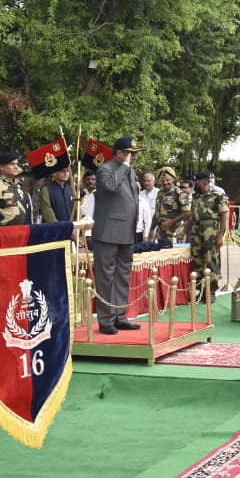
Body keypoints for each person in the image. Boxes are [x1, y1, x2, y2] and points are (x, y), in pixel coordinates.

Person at [90, 136, 144, 335]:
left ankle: (120, 316)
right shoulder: (105, 169)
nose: (134, 158)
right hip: (107, 233)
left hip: (127, 232)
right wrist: (123, 166)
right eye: (131, 154)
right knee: (106, 278)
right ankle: (106, 320)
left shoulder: (129, 171)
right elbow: (111, 186)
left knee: (122, 276)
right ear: (119, 153)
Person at [186, 170, 229, 301]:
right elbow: (192, 216)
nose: (196, 185)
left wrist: (221, 235)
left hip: (211, 228)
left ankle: (211, 291)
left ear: (204, 182)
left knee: (210, 259)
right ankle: (201, 290)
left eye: (198, 183)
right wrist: (184, 230)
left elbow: (224, 215)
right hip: (196, 229)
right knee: (198, 260)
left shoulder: (218, 195)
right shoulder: (196, 196)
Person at [0, 151, 31, 227]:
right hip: (2, 231)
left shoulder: (17, 185)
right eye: (12, 164)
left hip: (21, 229)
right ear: (2, 167)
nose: (16, 167)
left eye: (17, 164)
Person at [152, 166, 189, 245]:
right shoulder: (159, 194)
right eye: (162, 181)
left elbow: (187, 213)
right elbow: (157, 213)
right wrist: (151, 230)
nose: (165, 182)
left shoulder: (179, 193)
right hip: (161, 234)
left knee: (175, 257)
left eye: (167, 180)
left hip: (175, 234)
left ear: (172, 179)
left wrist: (171, 222)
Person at [138, 171, 158, 239]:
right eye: (144, 181)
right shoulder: (140, 194)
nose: (146, 183)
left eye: (148, 181)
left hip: (156, 226)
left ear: (153, 181)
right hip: (143, 228)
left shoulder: (159, 193)